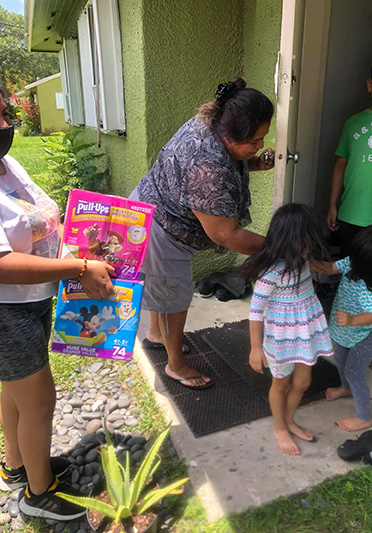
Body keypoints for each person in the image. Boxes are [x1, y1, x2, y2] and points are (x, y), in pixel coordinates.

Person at [0, 92, 115, 520]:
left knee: (15, 390)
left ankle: (16, 466)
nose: (3, 126)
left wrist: (85, 234)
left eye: (3, 114)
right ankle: (38, 494)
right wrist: (77, 267)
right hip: (5, 310)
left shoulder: (8, 165)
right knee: (40, 399)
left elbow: (44, 215)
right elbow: (2, 264)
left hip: (32, 300)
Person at [130, 78, 275, 389]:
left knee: (164, 290)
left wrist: (251, 163)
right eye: (254, 141)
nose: (260, 145)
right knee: (174, 296)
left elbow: (228, 161)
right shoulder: (207, 167)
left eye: (262, 138)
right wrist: (278, 247)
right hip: (161, 229)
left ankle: (157, 334)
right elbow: (226, 234)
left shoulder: (211, 120)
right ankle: (176, 365)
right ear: (228, 136)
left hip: (150, 208)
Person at [240, 203, 334, 456]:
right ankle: (280, 427)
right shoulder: (271, 272)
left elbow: (324, 267)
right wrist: (256, 348)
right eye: (307, 239)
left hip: (304, 334)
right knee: (280, 385)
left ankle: (290, 420)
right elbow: (255, 311)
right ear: (289, 239)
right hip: (280, 340)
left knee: (303, 382)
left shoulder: (303, 260)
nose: (311, 245)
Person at [311, 225, 372, 432]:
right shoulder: (352, 264)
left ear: (368, 264)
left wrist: (351, 320)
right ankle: (345, 388)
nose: (352, 257)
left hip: (365, 335)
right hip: (344, 331)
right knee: (341, 362)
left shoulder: (370, 290)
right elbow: (329, 268)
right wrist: (308, 261)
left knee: (353, 371)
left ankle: (363, 416)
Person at [327, 46, 372, 256]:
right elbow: (340, 165)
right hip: (352, 214)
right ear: (370, 85)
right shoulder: (354, 122)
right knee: (351, 269)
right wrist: (333, 205)